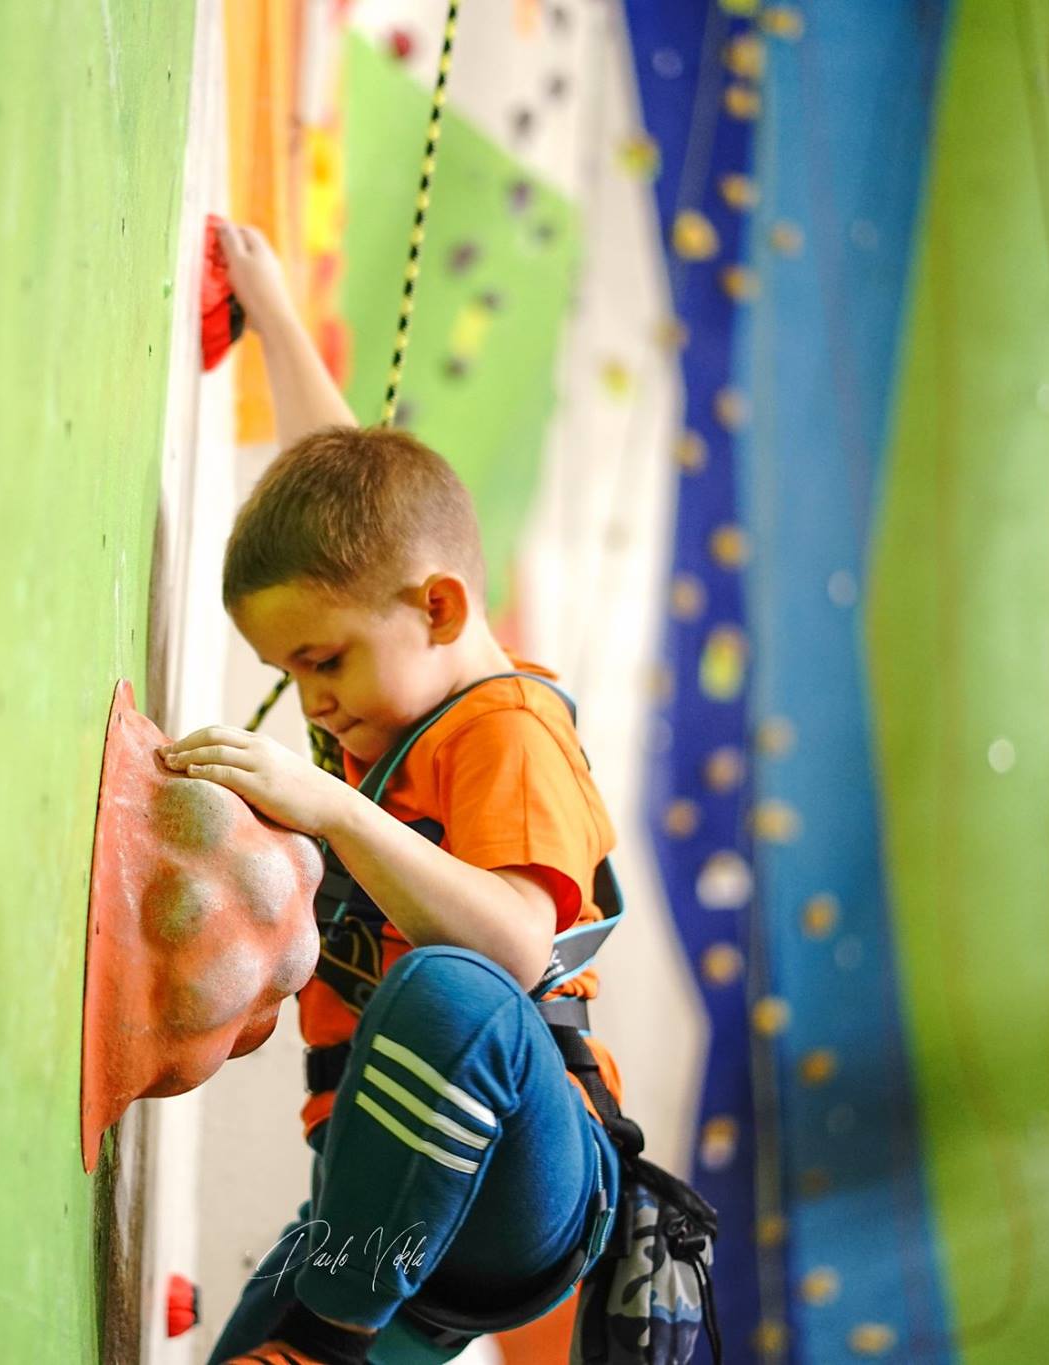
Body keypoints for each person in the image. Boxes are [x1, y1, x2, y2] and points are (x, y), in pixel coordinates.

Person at [162, 221, 629, 1365]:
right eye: (288, 674)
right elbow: (353, 509)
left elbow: (518, 954)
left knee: (449, 991)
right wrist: (271, 310)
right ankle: (322, 1324)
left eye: (321, 662)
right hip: (384, 1221)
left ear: (438, 613)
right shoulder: (388, 683)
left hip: (529, 1173)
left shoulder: (503, 727)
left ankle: (322, 1339)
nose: (309, 700)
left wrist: (331, 810)